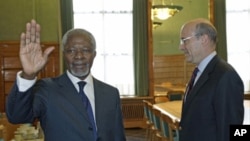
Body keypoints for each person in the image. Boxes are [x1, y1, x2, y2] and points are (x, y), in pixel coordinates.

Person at [5, 19, 126, 141]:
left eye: (85, 50)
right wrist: (28, 75)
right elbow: (16, 116)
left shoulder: (111, 93)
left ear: (94, 54)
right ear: (64, 55)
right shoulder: (46, 89)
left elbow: (117, 136)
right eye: (71, 51)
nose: (79, 56)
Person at [178, 18, 244, 141]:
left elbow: (231, 130)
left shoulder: (226, 76)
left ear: (204, 39)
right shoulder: (199, 72)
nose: (181, 47)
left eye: (184, 41)